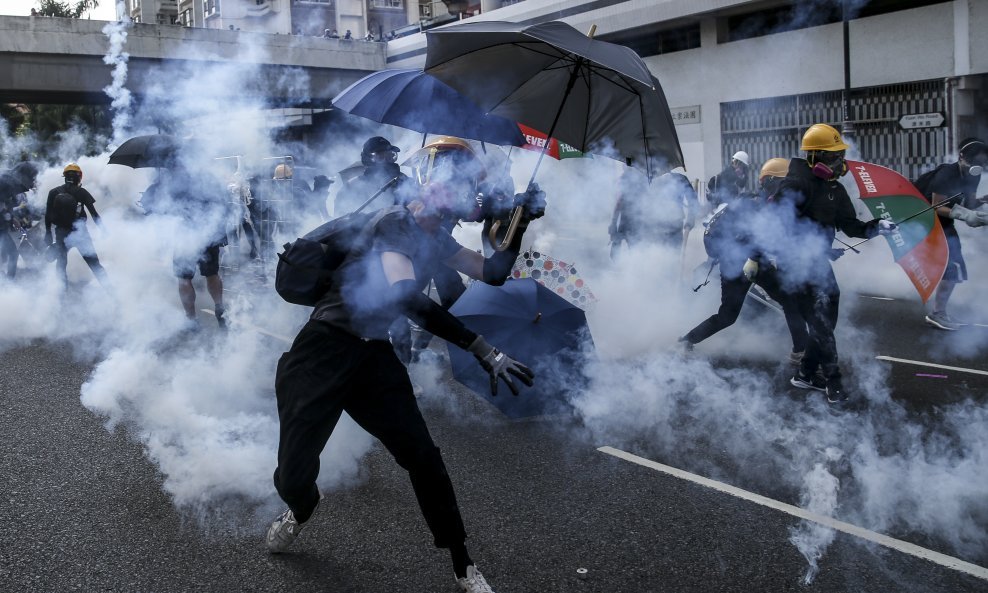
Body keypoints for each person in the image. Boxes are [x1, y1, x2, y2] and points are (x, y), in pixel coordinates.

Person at [266, 162, 544, 593]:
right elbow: (405, 296)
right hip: (323, 350)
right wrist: (482, 348)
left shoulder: (436, 239)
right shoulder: (394, 222)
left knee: (424, 458)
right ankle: (301, 508)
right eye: (439, 192)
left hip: (372, 357)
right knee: (293, 475)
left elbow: (492, 272)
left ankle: (462, 563)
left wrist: (520, 224)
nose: (444, 202)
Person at [768, 124, 895, 405]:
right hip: (796, 266)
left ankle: (805, 373)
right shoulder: (794, 184)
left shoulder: (834, 189)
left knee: (827, 322)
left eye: (840, 156)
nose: (839, 162)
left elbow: (851, 226)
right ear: (815, 157)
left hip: (818, 264)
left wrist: (877, 227)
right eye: (833, 156)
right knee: (821, 322)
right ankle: (833, 381)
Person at [679, 158, 808, 363]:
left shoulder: (758, 201)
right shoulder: (759, 205)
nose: (789, 187)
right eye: (785, 182)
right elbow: (757, 238)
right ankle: (800, 352)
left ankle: (687, 341)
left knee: (727, 316)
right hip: (744, 262)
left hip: (738, 263)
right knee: (788, 300)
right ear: (772, 181)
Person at [919, 137, 988, 330]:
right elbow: (936, 207)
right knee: (953, 266)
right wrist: (964, 214)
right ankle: (937, 314)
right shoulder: (947, 174)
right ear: (962, 156)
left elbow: (970, 203)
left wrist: (983, 201)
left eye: (982, 162)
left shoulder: (974, 175)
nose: (978, 166)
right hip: (926, 221)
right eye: (975, 161)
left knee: (955, 267)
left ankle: (940, 312)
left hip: (945, 222)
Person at [157, 164, 230, 329]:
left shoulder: (173, 183)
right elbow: (222, 206)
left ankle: (191, 320)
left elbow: (165, 210)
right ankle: (220, 308)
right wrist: (221, 235)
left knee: (184, 279)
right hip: (209, 233)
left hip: (185, 236)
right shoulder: (208, 176)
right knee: (212, 274)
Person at [44, 163, 110, 287]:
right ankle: (111, 292)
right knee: (94, 264)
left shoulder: (53, 192)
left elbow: (48, 215)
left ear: (64, 177)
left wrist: (48, 233)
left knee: (61, 264)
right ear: (79, 177)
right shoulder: (82, 192)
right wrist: (103, 230)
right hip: (80, 233)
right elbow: (94, 214)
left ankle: (61, 295)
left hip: (61, 233)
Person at [608, 164, 700, 253]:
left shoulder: (680, 179)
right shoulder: (645, 180)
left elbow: (693, 201)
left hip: (674, 227)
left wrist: (691, 220)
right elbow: (629, 204)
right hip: (654, 228)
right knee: (655, 256)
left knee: (672, 256)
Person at [334, 136, 409, 215]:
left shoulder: (401, 179)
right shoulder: (352, 187)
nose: (387, 160)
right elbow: (340, 220)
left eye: (390, 155)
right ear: (368, 160)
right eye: (381, 157)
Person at [0, 162, 39, 279]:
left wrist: (11, 218)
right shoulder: (6, 184)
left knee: (10, 253)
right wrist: (8, 215)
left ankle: (7, 282)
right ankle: (8, 282)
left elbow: (6, 206)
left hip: (2, 228)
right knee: (11, 253)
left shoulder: (8, 188)